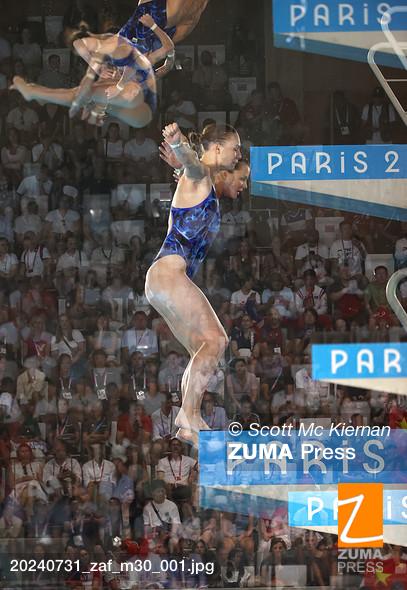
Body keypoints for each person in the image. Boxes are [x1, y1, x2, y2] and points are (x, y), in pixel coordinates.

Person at [145, 122, 242, 446]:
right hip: (169, 275)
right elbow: (192, 162)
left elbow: (190, 172)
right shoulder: (198, 172)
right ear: (217, 148)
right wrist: (178, 144)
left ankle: (190, 421)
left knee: (202, 348)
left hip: (164, 278)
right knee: (217, 340)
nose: (238, 154)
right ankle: (188, 415)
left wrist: (180, 166)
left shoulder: (201, 181)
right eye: (235, 148)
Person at [11, 13, 173, 129]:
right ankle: (38, 94)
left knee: (92, 93)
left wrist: (153, 26)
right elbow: (78, 44)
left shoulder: (142, 58)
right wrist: (98, 67)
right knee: (82, 93)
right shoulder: (112, 58)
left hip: (138, 107)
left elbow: (167, 48)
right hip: (120, 106)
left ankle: (37, 93)